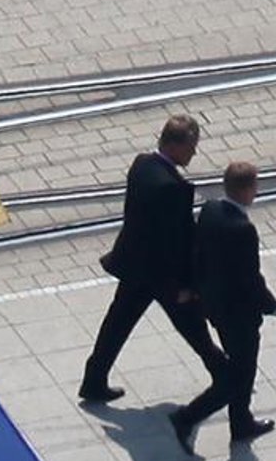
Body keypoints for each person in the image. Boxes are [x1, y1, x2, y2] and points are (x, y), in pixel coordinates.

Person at [77, 116, 225, 405]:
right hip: (162, 275)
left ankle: (93, 380)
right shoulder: (172, 188)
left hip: (135, 265)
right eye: (191, 147)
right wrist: (187, 284)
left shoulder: (142, 164)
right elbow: (177, 242)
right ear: (175, 145)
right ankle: (225, 375)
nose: (194, 153)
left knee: (117, 324)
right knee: (194, 327)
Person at [171, 162, 276, 452]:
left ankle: (241, 423)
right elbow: (251, 279)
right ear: (247, 190)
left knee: (242, 370)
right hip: (239, 315)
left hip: (216, 307)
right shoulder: (243, 230)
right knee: (239, 377)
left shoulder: (210, 210)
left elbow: (198, 253)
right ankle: (188, 417)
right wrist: (275, 308)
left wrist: (194, 288)